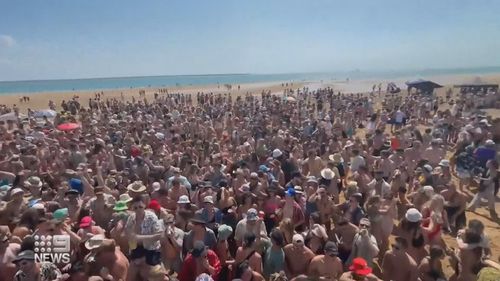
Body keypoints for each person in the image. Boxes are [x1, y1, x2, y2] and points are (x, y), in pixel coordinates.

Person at [124, 195, 163, 281]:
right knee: (130, 275)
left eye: (140, 207)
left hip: (151, 250)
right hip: (136, 249)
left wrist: (140, 238)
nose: (138, 209)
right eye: (135, 208)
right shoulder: (131, 218)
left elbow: (159, 235)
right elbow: (127, 233)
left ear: (144, 206)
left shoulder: (151, 217)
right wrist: (130, 236)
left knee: (150, 275)